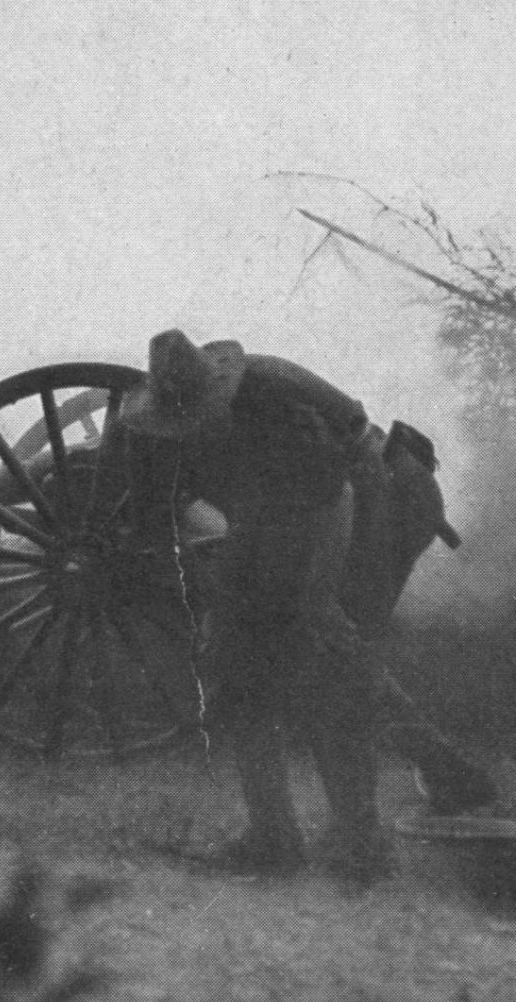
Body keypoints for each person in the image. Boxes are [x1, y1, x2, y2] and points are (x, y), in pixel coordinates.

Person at [115, 329, 497, 883]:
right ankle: (278, 837)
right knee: (239, 666)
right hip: (265, 522)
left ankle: (367, 837)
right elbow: (155, 523)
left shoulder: (276, 390)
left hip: (360, 500)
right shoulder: (152, 432)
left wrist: (305, 599)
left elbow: (339, 477)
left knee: (325, 659)